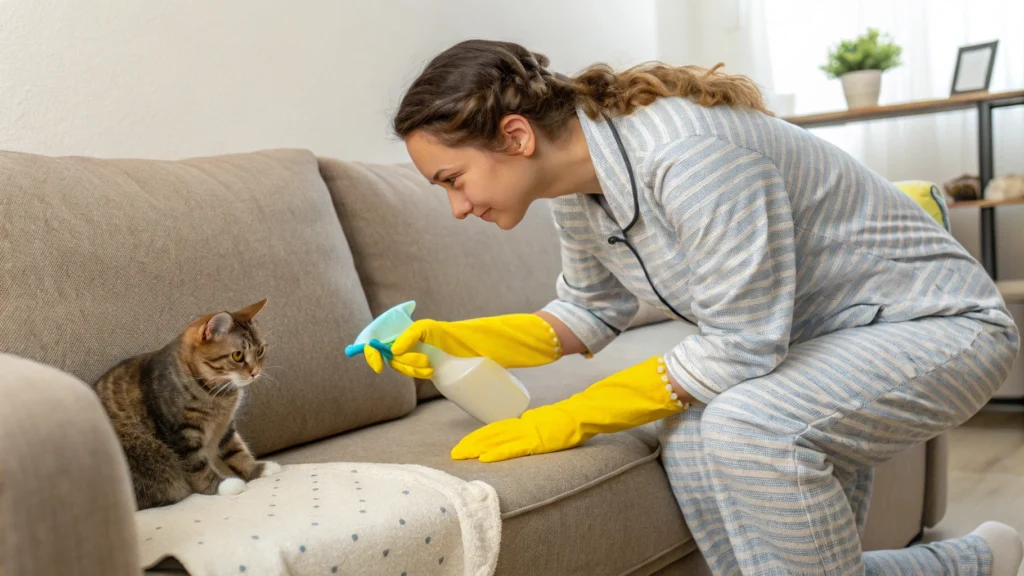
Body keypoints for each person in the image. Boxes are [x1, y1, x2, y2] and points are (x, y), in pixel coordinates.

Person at [369, 39, 1023, 576]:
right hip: (821, 341)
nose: (457, 207)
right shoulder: (574, 187)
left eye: (453, 180)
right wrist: (454, 341)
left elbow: (741, 345)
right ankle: (978, 558)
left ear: (515, 136)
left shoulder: (690, 156)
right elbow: (590, 310)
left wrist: (570, 418)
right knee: (686, 435)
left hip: (940, 327)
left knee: (746, 426)